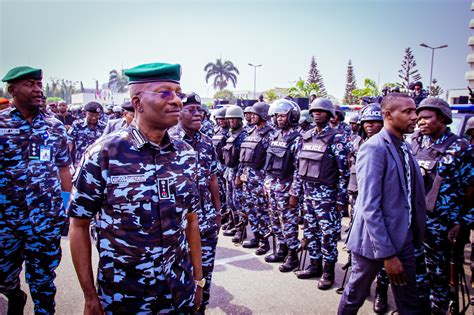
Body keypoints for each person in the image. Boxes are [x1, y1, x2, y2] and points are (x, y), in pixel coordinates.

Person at [68, 62, 204, 313]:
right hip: (125, 297)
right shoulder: (104, 153)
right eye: (165, 92)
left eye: (178, 93)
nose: (177, 101)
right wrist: (89, 297)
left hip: (178, 292)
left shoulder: (186, 155)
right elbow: (79, 225)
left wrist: (198, 281)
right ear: (138, 103)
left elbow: (192, 221)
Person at [338, 93, 427, 314]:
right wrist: (387, 255)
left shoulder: (404, 147)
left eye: (414, 111)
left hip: (403, 236)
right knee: (354, 296)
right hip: (373, 241)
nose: (415, 117)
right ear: (388, 114)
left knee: (409, 301)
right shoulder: (374, 148)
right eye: (407, 112)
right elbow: (369, 206)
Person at [0, 66, 72, 314]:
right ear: (13, 90)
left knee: (43, 281)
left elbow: (64, 168)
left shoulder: (54, 127)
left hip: (45, 219)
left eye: (39, 84)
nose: (38, 89)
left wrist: (64, 206)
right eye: (30, 84)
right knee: (3, 277)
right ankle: (14, 295)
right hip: (6, 220)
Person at [411, 98, 473, 313]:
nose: (421, 122)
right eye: (419, 118)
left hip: (443, 226)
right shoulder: (415, 143)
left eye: (427, 118)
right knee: (417, 274)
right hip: (415, 223)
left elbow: (471, 191)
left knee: (439, 278)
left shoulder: (461, 147)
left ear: (443, 118)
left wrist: (463, 223)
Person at [168, 92, 221, 313]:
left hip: (205, 220)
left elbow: (213, 177)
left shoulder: (207, 143)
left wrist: (218, 211)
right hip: (178, 224)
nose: (197, 114)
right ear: (179, 112)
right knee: (178, 274)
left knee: (204, 272)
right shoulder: (168, 142)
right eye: (191, 110)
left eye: (199, 110)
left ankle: (201, 308)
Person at [291, 98, 349, 289]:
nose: (317, 113)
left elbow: (343, 172)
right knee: (310, 231)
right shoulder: (305, 136)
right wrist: (295, 192)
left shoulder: (337, 138)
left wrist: (341, 199)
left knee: (328, 235)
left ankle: (328, 271)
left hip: (328, 197)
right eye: (314, 111)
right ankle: (314, 265)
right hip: (308, 196)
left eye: (322, 111)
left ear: (330, 115)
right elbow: (299, 167)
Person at [346, 103, 390, 313]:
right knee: (360, 250)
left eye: (375, 122)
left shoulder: (388, 145)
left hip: (379, 206)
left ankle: (381, 291)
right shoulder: (356, 143)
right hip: (357, 197)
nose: (370, 126)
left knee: (381, 251)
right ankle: (358, 289)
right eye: (367, 122)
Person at [263, 99, 302, 271]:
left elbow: (299, 169)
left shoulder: (298, 138)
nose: (279, 119)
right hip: (273, 188)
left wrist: (294, 193)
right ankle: (281, 250)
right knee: (275, 221)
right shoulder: (275, 136)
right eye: (277, 116)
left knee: (289, 224)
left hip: (287, 190)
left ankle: (293, 256)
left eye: (283, 116)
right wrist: (266, 185)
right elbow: (269, 163)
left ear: (292, 116)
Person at [236, 101, 273, 255]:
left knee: (262, 212)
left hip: (260, 181)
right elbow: (243, 158)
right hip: (247, 180)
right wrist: (239, 176)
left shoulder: (270, 135)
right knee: (251, 210)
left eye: (254, 114)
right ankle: (256, 237)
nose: (251, 117)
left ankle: (265, 242)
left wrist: (267, 184)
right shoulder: (251, 133)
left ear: (263, 115)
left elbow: (271, 161)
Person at [221, 105, 248, 241]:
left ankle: (241, 230)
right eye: (229, 119)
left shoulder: (244, 135)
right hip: (229, 172)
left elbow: (244, 160)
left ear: (240, 119)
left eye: (234, 119)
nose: (231, 121)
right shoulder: (230, 134)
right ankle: (234, 224)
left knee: (239, 203)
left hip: (238, 173)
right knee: (229, 201)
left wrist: (240, 177)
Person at [68, 101, 106, 168]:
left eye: (97, 115)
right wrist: (68, 163)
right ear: (85, 113)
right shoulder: (77, 125)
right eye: (91, 115)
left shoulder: (104, 126)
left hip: (99, 164)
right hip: (81, 163)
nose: (94, 118)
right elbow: (69, 143)